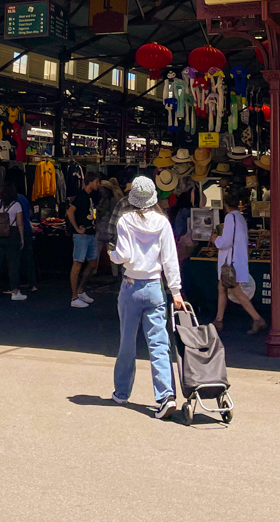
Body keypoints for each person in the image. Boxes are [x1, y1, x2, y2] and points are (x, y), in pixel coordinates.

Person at [109, 175, 184, 418]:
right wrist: (176, 291)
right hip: (155, 287)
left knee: (127, 343)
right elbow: (170, 259)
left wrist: (112, 255)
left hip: (131, 285)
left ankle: (121, 393)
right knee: (159, 343)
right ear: (153, 198)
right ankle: (165, 396)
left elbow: (123, 254)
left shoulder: (125, 221)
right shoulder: (163, 223)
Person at [214, 191, 267, 335]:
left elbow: (226, 242)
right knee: (222, 288)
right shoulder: (240, 218)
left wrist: (215, 239)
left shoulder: (230, 218)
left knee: (234, 290)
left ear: (225, 205)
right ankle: (218, 320)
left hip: (230, 262)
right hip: (236, 259)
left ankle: (257, 318)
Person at [0, 181, 26, 301]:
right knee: (13, 264)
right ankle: (15, 291)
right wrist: (22, 238)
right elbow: (20, 223)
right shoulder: (16, 205)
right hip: (12, 236)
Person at [67, 170, 101, 308]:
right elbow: (70, 211)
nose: (99, 184)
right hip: (82, 234)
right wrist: (76, 228)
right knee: (78, 262)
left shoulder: (91, 196)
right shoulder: (81, 196)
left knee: (93, 262)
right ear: (91, 182)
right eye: (97, 182)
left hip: (90, 233)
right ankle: (74, 297)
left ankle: (81, 290)